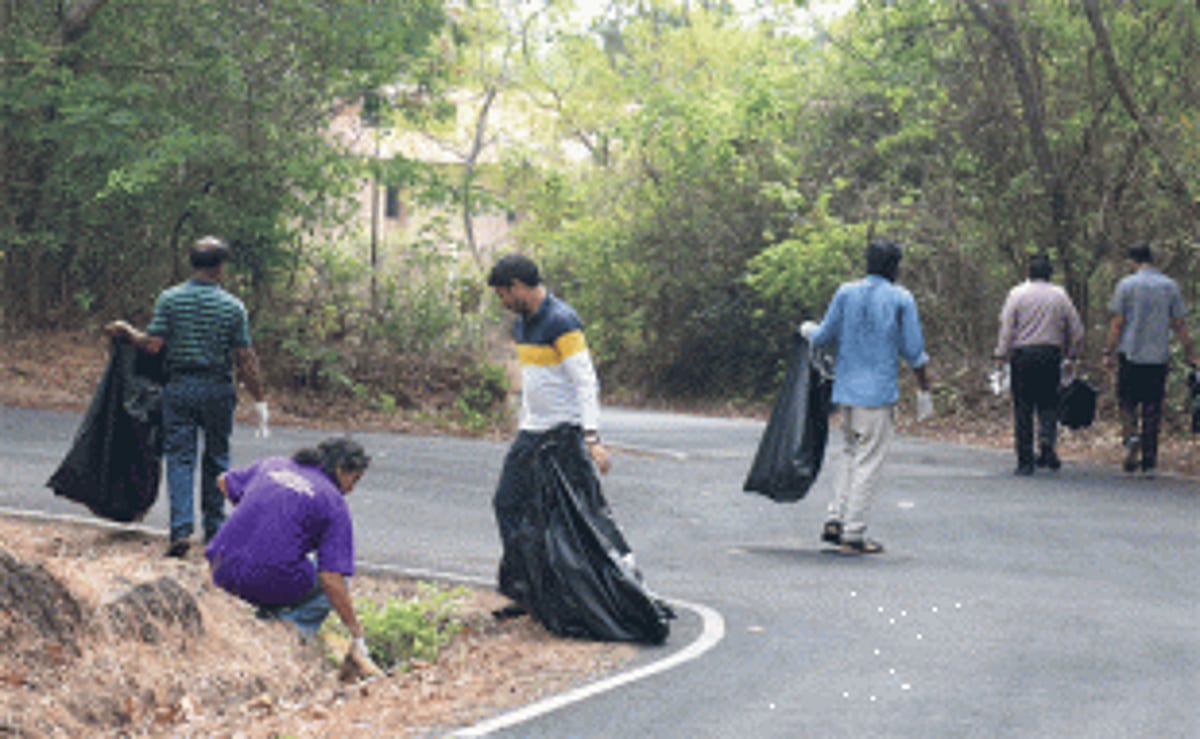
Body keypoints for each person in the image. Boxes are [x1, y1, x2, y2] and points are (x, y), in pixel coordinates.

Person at [106, 236, 268, 558]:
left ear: (192, 263)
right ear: (221, 266)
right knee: (217, 459)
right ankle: (215, 532)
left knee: (180, 458)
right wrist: (260, 399)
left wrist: (127, 330)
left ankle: (180, 530)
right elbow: (245, 358)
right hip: (218, 389)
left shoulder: (170, 299)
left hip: (179, 388)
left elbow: (152, 345)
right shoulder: (232, 307)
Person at [487, 253, 610, 614]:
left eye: (503, 295)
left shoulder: (561, 321)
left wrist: (591, 438)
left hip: (564, 434)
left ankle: (591, 597)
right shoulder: (523, 324)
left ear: (518, 287)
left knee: (576, 517)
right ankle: (527, 591)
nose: (503, 303)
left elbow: (586, 382)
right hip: (532, 431)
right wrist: (525, 421)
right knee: (508, 503)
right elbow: (536, 381)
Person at [204, 437, 382, 677]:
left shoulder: (273, 465)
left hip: (220, 566)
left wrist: (259, 513)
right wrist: (357, 633)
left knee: (287, 562)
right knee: (336, 578)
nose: (352, 488)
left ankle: (265, 623)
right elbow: (331, 578)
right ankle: (287, 637)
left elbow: (223, 481)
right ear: (341, 468)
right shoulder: (333, 502)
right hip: (264, 578)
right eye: (355, 479)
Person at [800, 238, 932, 554]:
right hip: (877, 394)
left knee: (848, 453)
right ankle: (854, 532)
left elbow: (822, 337)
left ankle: (835, 517)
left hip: (845, 391)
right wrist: (925, 386)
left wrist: (805, 328)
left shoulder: (846, 293)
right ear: (893, 267)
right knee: (868, 461)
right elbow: (914, 351)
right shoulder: (901, 299)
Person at [1102, 243, 1195, 477]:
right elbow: (1180, 324)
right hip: (1158, 357)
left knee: (1127, 401)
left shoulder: (1126, 285)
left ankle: (1131, 436)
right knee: (1153, 408)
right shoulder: (1169, 286)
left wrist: (1108, 351)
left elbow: (1117, 323)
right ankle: (1149, 462)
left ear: (1133, 261)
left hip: (1130, 355)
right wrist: (1190, 353)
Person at [993, 254, 1085, 475]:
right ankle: (1047, 445)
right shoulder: (1060, 295)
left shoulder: (1017, 294)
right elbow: (1077, 330)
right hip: (1050, 355)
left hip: (1023, 356)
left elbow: (1007, 328)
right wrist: (1071, 355)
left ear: (1029, 272)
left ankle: (1025, 460)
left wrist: (1000, 355)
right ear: (1049, 274)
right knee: (1048, 404)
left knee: (1023, 407)